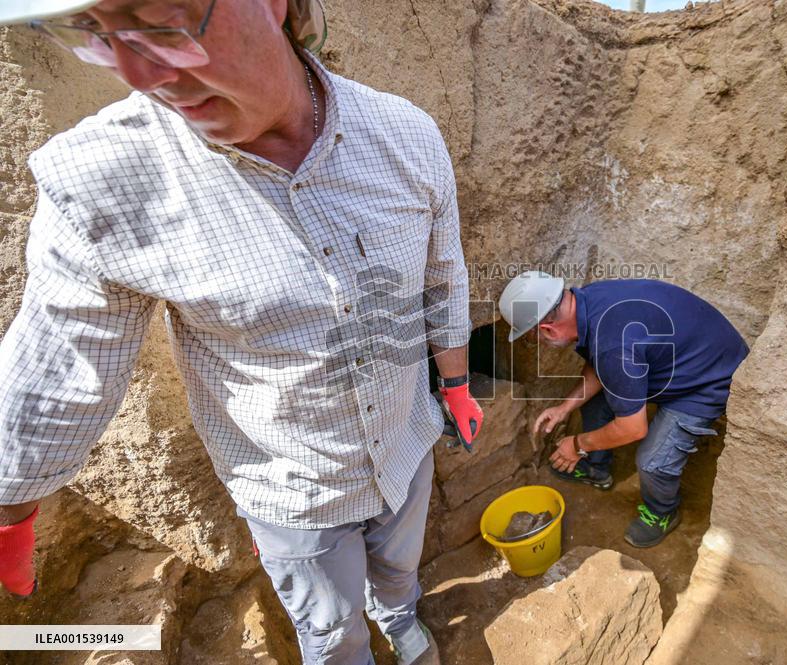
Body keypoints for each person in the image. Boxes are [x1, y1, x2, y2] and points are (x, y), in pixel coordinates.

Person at [0, 2, 484, 664]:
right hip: (295, 490)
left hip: (406, 443)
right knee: (330, 629)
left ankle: (398, 617)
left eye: (159, 17)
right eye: (95, 34)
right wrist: (12, 500)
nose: (138, 73)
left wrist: (453, 384)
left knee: (398, 571)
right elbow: (60, 362)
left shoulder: (405, 134)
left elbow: (442, 277)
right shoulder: (99, 183)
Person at [499, 271, 748, 548]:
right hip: (680, 359)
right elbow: (601, 363)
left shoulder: (613, 347)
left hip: (706, 381)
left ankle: (662, 512)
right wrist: (564, 408)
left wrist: (578, 444)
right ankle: (597, 470)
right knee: (595, 401)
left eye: (533, 338)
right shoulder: (588, 303)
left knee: (653, 461)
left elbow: (633, 427)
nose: (539, 344)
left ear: (547, 329)